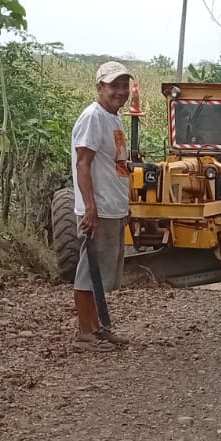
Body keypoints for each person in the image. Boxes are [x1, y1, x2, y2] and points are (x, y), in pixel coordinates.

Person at [71, 61, 134, 351]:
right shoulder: (93, 117)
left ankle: (97, 328)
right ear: (100, 87)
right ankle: (85, 332)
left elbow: (116, 164)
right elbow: (83, 163)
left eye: (124, 85)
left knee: (100, 273)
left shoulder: (114, 118)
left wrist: (125, 202)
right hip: (99, 208)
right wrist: (90, 207)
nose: (120, 91)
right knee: (89, 271)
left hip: (113, 206)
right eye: (114, 85)